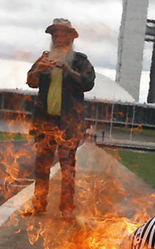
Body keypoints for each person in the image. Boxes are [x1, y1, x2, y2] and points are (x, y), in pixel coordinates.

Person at [22, 18, 95, 220]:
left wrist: (68, 70)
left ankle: (67, 207)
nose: (58, 38)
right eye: (55, 35)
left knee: (67, 167)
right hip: (45, 122)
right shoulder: (44, 58)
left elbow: (88, 83)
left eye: (62, 34)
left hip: (69, 124)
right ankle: (39, 203)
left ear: (71, 38)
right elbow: (30, 81)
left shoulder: (80, 60)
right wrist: (39, 69)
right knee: (41, 165)